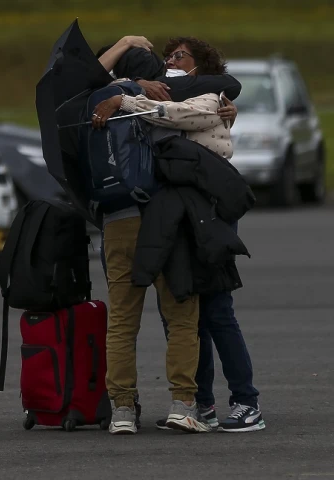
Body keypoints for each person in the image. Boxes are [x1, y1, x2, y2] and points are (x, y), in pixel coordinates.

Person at [93, 37, 262, 434]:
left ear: (201, 64)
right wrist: (132, 83)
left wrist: (127, 98)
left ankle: (246, 400)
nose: (171, 61)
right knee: (185, 312)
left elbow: (177, 116)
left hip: (211, 208)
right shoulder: (154, 87)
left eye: (179, 56)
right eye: (168, 56)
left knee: (217, 309)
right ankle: (199, 402)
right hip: (179, 210)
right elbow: (97, 80)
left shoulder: (211, 93)